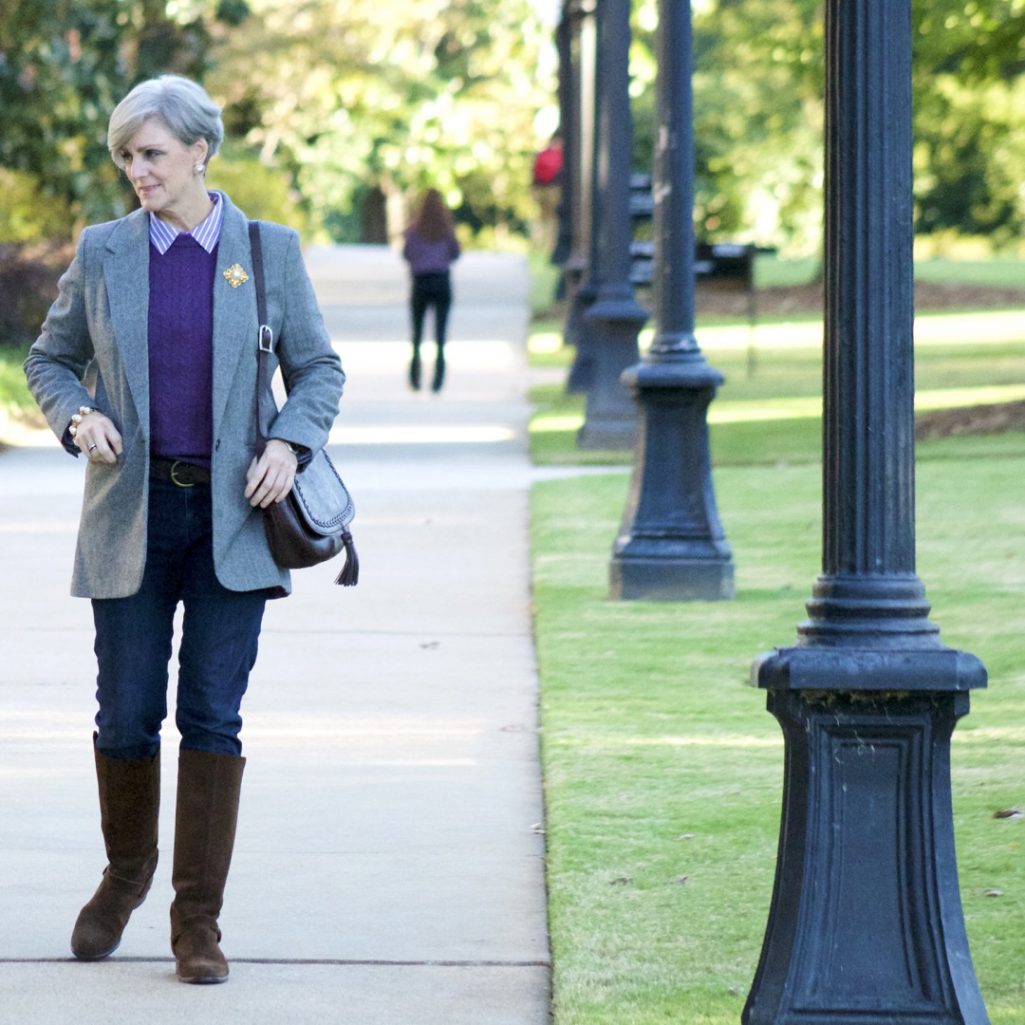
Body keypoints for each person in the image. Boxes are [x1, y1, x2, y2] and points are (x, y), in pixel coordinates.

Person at [23, 75, 344, 984]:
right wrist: (79, 416)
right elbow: (51, 359)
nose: (137, 170)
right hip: (131, 512)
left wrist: (290, 440)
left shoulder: (265, 250)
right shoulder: (105, 251)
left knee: (213, 713)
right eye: (127, 155)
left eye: (153, 153)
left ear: (202, 150)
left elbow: (320, 368)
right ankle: (126, 872)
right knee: (125, 710)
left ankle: (196, 921)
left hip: (234, 517)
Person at [401, 189, 460, 392]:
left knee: (417, 334)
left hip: (420, 282)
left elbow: (407, 254)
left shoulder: (414, 230)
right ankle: (437, 380)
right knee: (440, 335)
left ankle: (415, 378)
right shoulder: (446, 230)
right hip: (441, 281)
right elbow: (455, 253)